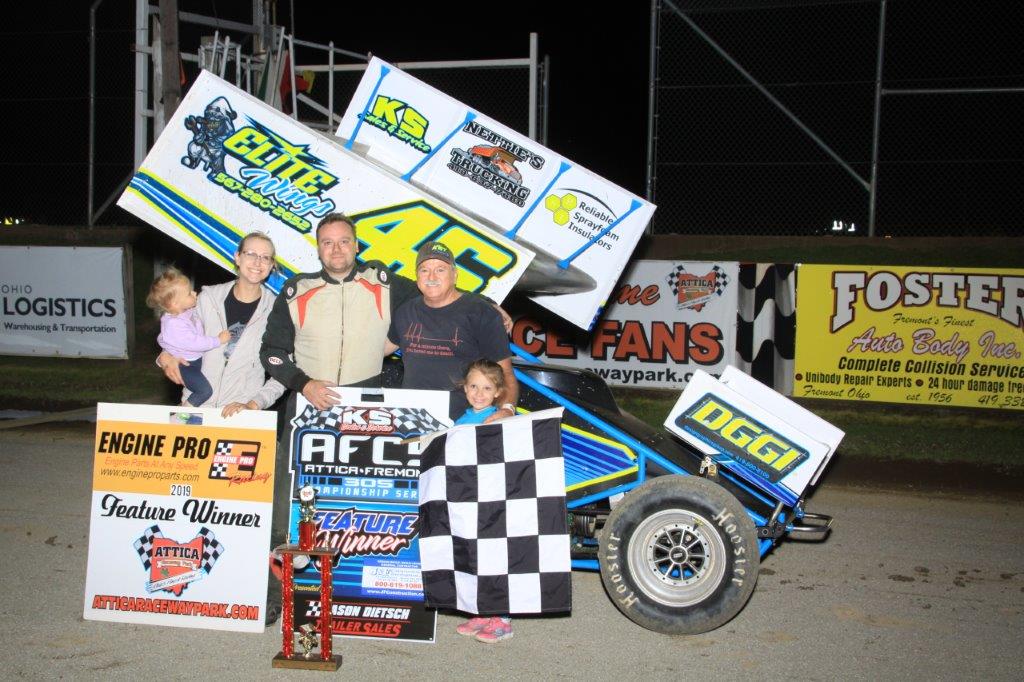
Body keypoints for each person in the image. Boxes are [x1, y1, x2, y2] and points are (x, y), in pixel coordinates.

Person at [259, 213, 419, 410]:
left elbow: (433, 297)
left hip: (365, 409)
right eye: (327, 243)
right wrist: (305, 385)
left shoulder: (382, 282)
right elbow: (271, 352)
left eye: (344, 241)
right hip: (308, 406)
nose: (336, 249)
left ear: (356, 246)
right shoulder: (296, 291)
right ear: (319, 249)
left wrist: (394, 340)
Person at [157, 231, 286, 417]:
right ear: (237, 257)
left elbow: (284, 371)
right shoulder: (207, 298)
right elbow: (177, 333)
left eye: (265, 257)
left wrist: (255, 404)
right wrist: (165, 356)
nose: (258, 262)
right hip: (194, 408)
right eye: (251, 254)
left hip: (240, 414)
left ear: (271, 265)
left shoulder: (277, 312)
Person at [386, 240, 518, 422]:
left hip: (463, 424)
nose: (431, 276)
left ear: (455, 275)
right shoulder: (405, 311)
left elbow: (505, 372)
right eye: (424, 270)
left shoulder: (481, 312)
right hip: (411, 421)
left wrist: (507, 410)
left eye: (440, 270)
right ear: (417, 276)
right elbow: (377, 351)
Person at [452, 359, 514, 643]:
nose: (479, 393)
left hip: (493, 500)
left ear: (498, 392)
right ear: (465, 388)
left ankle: (502, 618)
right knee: (473, 555)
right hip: (468, 499)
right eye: (474, 386)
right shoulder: (460, 421)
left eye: (487, 388)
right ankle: (481, 611)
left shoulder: (498, 418)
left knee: (496, 556)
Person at [147, 267, 230, 407]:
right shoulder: (173, 323)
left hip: (194, 361)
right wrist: (218, 340)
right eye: (188, 293)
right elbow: (195, 342)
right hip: (186, 365)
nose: (194, 293)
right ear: (175, 303)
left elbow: (164, 339)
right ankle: (184, 412)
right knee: (204, 391)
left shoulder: (184, 312)